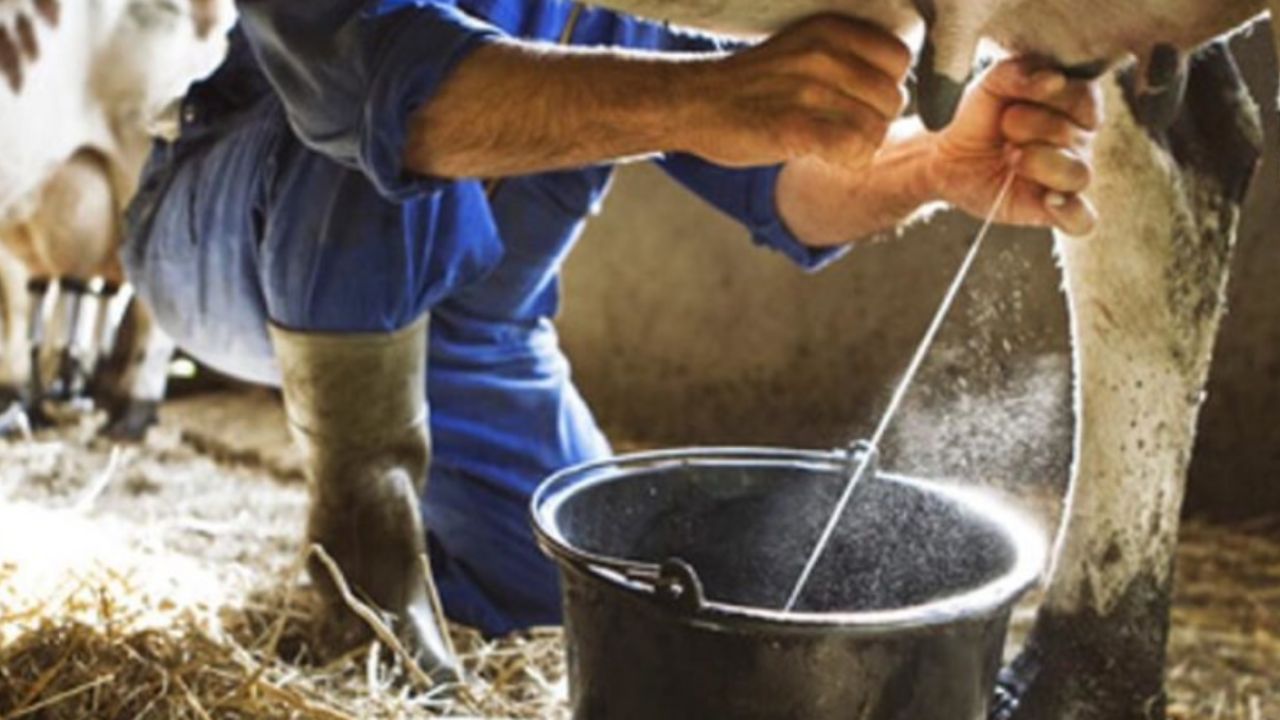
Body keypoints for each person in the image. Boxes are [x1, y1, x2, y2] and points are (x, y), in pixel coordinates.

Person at [123, 0, 1101, 678]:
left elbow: (788, 181)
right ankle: (363, 575)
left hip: (476, 339)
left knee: (581, 600)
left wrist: (935, 162)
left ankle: (445, 548)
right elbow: (383, 93)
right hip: (227, 239)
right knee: (384, 132)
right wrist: (709, 101)